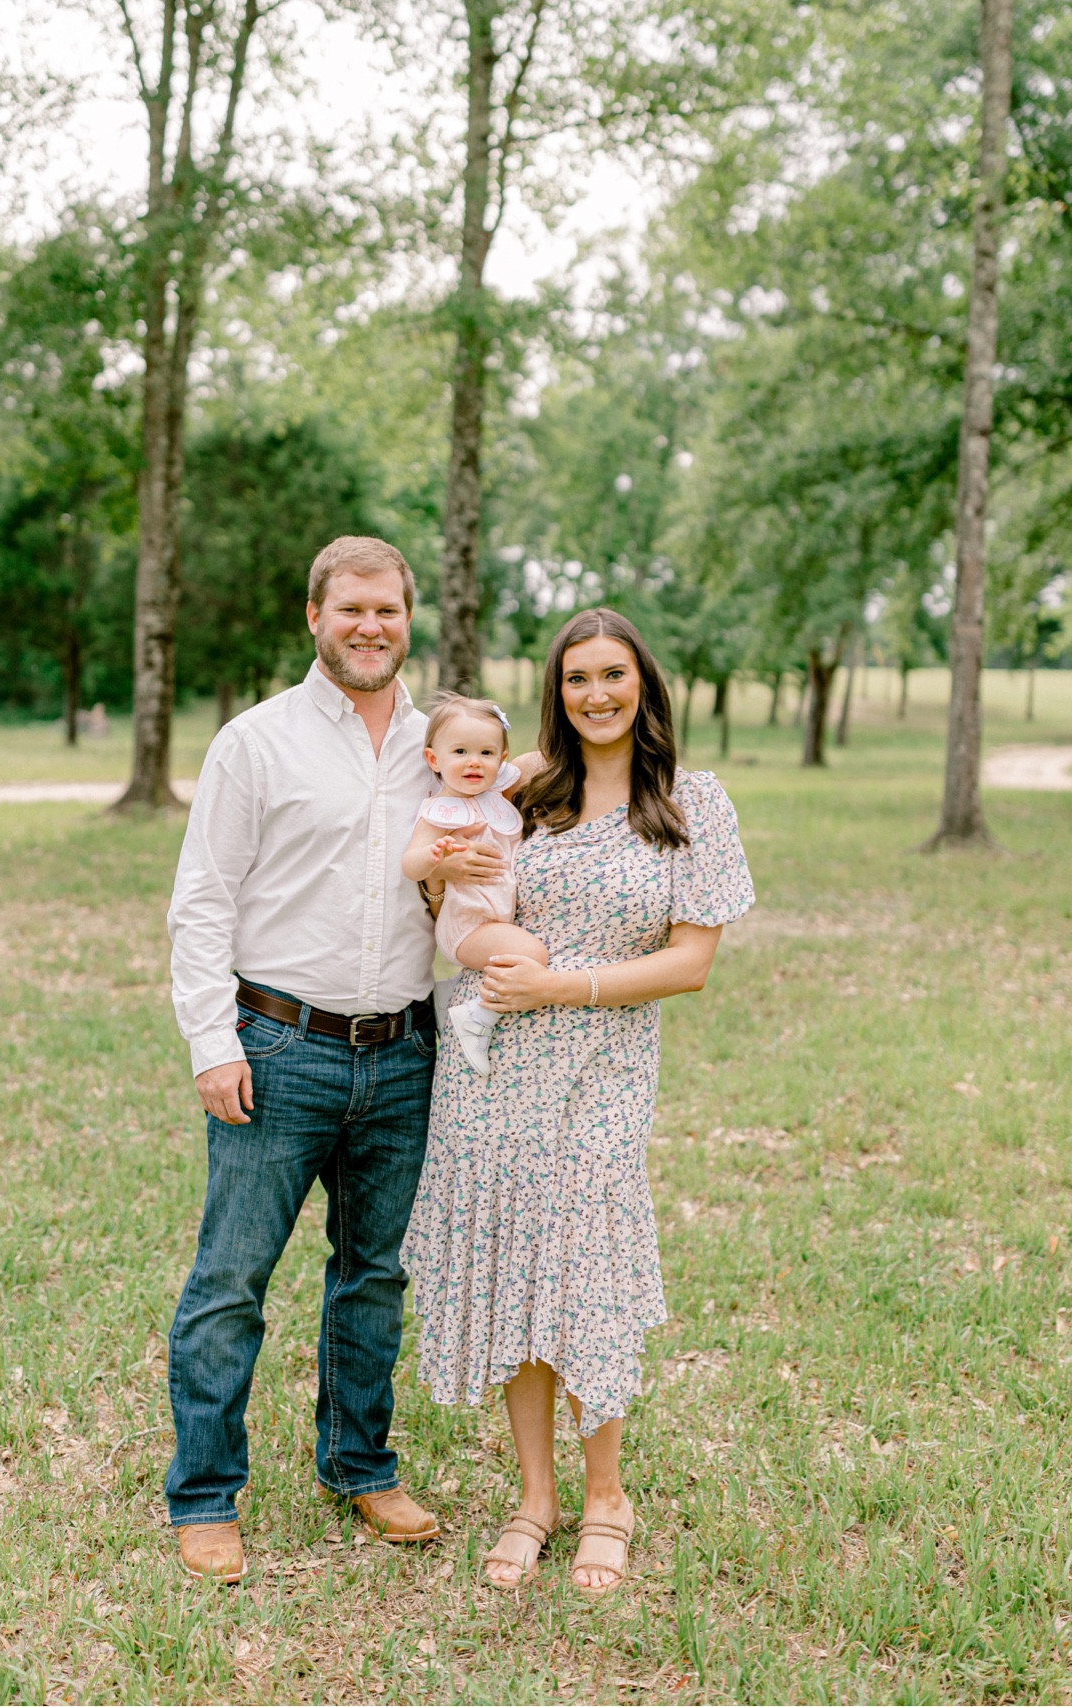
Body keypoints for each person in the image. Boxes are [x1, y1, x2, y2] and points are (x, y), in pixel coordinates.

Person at [164, 535, 503, 1583]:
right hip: (277, 1046)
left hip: (404, 1054)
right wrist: (212, 1042)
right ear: (313, 616)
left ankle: (360, 1466)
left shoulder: (441, 749)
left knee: (374, 1276)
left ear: (410, 620)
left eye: (388, 611)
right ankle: (206, 1494)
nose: (370, 626)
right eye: (350, 608)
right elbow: (203, 901)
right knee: (232, 1280)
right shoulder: (255, 742)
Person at [401, 606, 754, 1594]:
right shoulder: (522, 790)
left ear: (643, 682)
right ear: (554, 695)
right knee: (518, 1271)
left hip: (599, 1070)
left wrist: (565, 986)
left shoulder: (692, 804)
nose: (594, 694)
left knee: (584, 1271)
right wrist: (446, 881)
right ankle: (534, 1499)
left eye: (611, 674)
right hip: (490, 1074)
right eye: (573, 679)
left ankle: (607, 1497)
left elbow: (690, 963)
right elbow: (458, 903)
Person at [400, 693, 549, 1075]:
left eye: (486, 753)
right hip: (468, 926)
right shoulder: (441, 811)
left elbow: (541, 762)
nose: (473, 761)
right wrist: (438, 857)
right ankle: (476, 1016)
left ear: (501, 760)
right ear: (434, 759)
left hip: (494, 920)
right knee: (534, 955)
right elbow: (410, 864)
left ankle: (452, 993)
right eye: (461, 751)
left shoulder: (497, 799)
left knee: (527, 952)